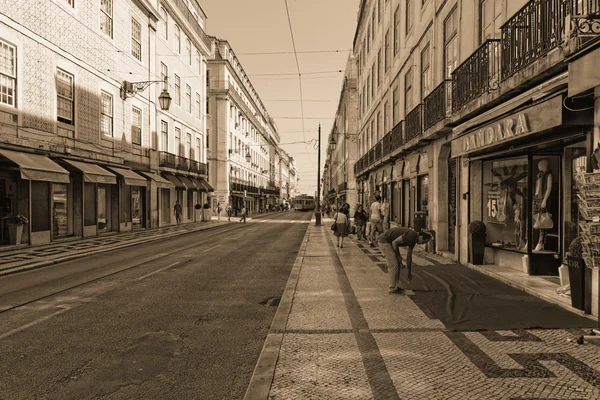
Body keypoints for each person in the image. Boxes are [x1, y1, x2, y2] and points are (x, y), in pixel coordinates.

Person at [378, 227, 432, 293]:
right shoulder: (412, 235)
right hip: (385, 241)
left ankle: (395, 286)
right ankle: (392, 288)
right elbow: (395, 243)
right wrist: (398, 256)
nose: (422, 244)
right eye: (423, 242)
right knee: (394, 265)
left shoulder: (414, 240)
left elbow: (409, 257)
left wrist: (409, 272)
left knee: (397, 264)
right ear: (421, 237)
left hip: (388, 242)